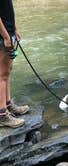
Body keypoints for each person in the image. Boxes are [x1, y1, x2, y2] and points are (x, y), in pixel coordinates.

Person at [0, 0, 29, 128]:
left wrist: (14, 29)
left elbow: (8, 11)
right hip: (2, 35)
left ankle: (8, 105)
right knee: (1, 76)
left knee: (7, 72)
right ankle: (2, 115)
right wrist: (6, 37)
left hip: (8, 32)